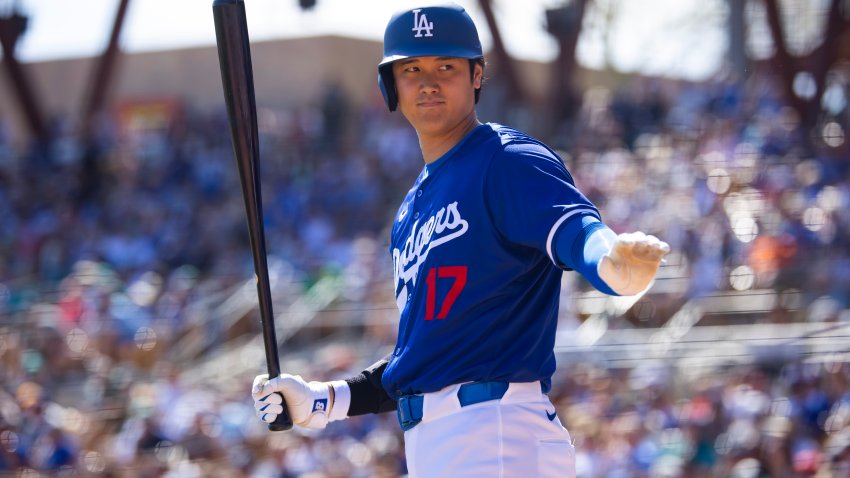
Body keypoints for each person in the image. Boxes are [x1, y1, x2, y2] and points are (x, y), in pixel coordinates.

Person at [252, 4, 670, 477]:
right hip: (443, 442)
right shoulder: (411, 209)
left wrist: (609, 261)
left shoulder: (504, 159)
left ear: (476, 76)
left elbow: (578, 232)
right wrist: (323, 400)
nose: (428, 82)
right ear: (391, 85)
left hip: (495, 430)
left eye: (445, 66)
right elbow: (425, 359)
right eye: (411, 69)